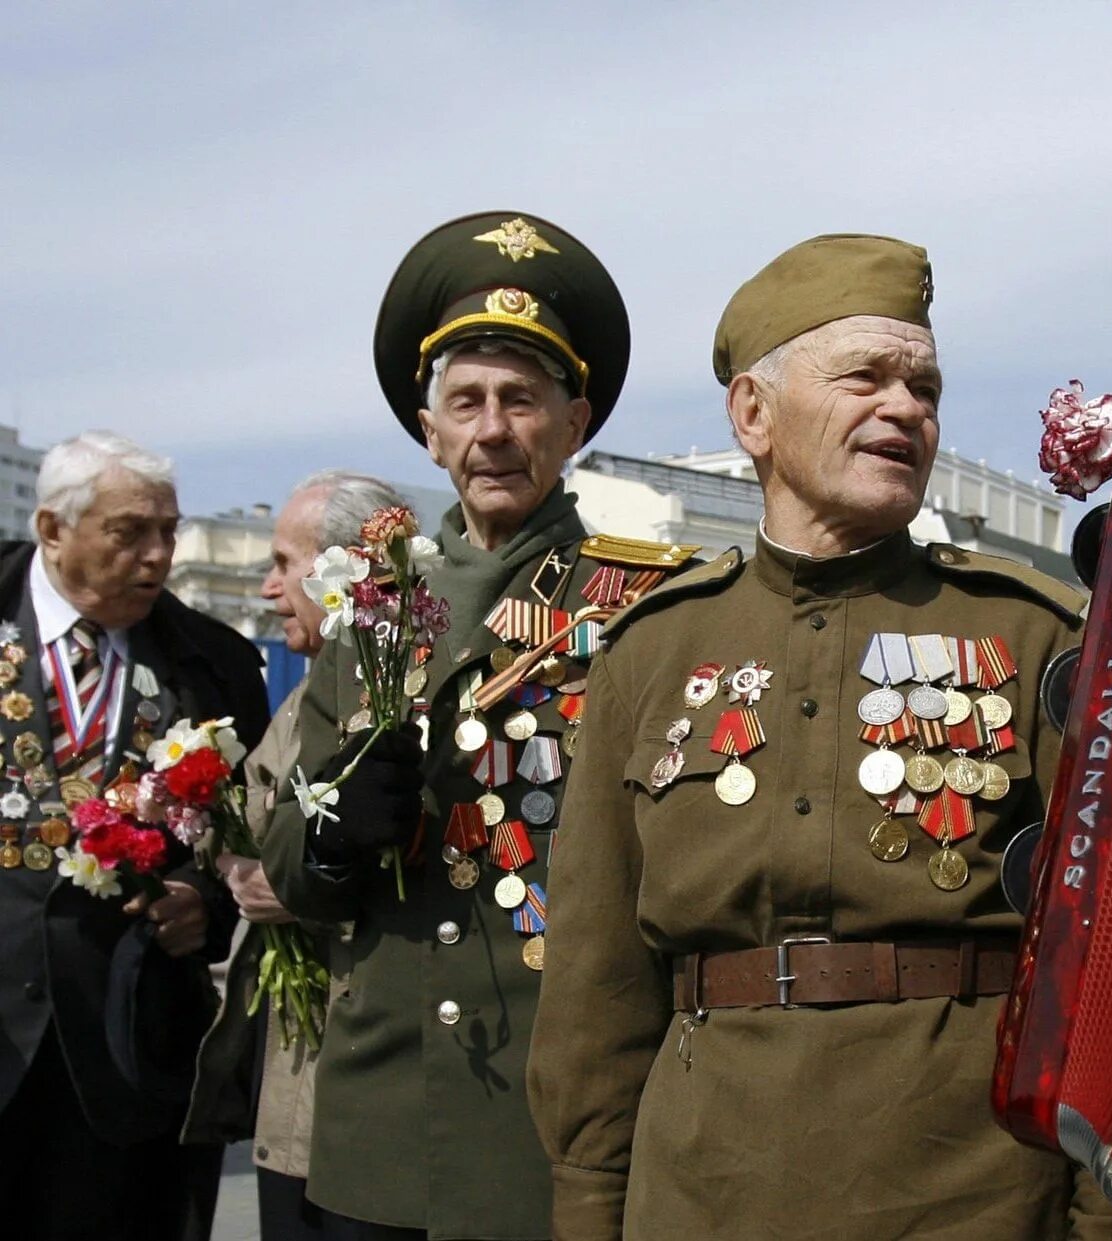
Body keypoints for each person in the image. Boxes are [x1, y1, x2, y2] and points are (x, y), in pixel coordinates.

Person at [529, 233, 1112, 1240]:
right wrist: (591, 1203)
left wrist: (1099, 1215)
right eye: (864, 377)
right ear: (752, 415)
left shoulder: (1037, 634)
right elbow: (596, 977)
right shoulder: (652, 649)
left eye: (924, 388)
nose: (905, 409)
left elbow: (1106, 960)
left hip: (968, 1188)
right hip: (705, 1187)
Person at [264, 212, 697, 1240]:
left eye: (522, 400)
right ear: (430, 431)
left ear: (574, 419)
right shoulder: (376, 607)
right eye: (466, 402)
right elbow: (288, 866)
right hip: (386, 1114)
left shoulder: (640, 604)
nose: (493, 430)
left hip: (554, 1114)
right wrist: (331, 832)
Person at [0, 430, 270, 1241]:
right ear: (52, 528)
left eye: (169, 530)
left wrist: (205, 899)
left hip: (129, 1058)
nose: (158, 556)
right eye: (130, 533)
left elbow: (248, 840)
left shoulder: (212, 665)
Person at [186, 470, 412, 1240]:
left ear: (346, 568)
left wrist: (305, 882)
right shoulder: (306, 690)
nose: (269, 587)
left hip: (369, 1087)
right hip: (291, 1080)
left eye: (285, 562)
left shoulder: (403, 685)